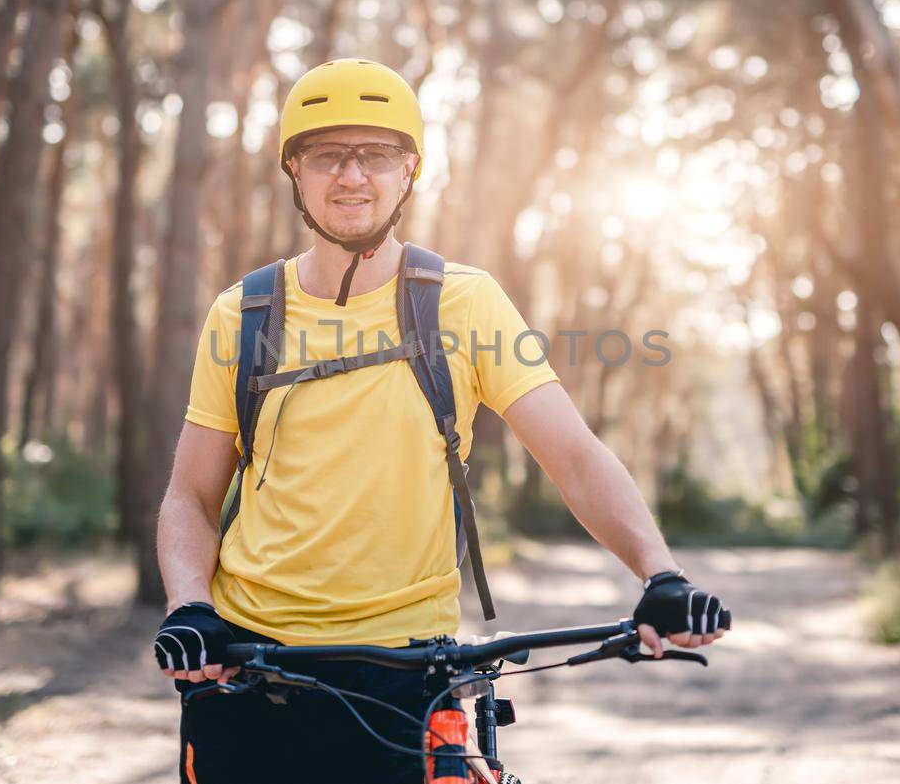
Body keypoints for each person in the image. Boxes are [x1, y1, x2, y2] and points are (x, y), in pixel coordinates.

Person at [152, 58, 729, 783]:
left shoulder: (465, 303)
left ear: (410, 171)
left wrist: (660, 572)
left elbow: (574, 456)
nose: (352, 176)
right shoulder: (242, 314)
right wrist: (190, 606)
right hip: (249, 667)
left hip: (409, 678)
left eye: (378, 154)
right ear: (295, 169)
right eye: (328, 154)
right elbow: (191, 496)